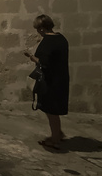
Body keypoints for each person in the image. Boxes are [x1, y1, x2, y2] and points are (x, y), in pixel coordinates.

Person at [26, 14, 70, 151]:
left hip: (50, 81)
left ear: (42, 29)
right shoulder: (61, 39)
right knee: (53, 110)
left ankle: (55, 139)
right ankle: (58, 132)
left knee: (51, 111)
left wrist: (32, 57)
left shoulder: (47, 42)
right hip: (61, 78)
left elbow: (44, 63)